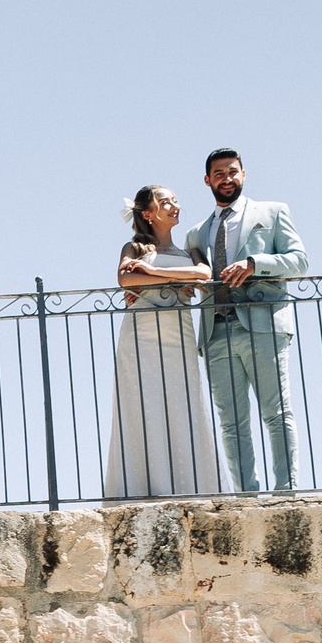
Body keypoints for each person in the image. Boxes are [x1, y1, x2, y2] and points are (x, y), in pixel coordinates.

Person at [185, 149, 308, 492]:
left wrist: (254, 264)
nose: (227, 177)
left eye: (233, 171)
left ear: (243, 174)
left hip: (263, 325)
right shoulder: (197, 234)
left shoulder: (272, 212)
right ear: (208, 180)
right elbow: (187, 276)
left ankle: (287, 490)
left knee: (276, 412)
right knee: (231, 423)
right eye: (219, 173)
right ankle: (246, 494)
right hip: (216, 332)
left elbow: (299, 261)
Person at [106, 184, 219, 498]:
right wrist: (164, 275)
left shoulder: (189, 250)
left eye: (176, 200)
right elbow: (126, 279)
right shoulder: (133, 249)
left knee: (183, 402)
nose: (175, 206)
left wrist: (151, 273)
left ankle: (190, 488)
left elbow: (203, 273)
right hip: (140, 335)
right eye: (166, 202)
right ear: (147, 213)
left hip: (179, 335)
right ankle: (146, 489)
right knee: (142, 405)